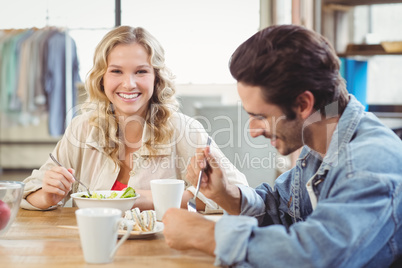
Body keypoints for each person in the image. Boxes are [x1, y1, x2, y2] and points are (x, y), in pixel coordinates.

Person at [162, 24, 402, 267]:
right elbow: (282, 208)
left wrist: (208, 235)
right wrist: (227, 194)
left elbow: (318, 255)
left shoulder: (370, 163)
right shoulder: (322, 138)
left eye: (261, 116)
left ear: (302, 104)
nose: (253, 131)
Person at [21, 26, 247, 212]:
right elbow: (29, 192)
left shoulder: (184, 129)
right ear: (101, 78)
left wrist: (148, 199)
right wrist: (48, 196)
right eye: (116, 71)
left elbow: (238, 193)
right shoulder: (82, 128)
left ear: (156, 78)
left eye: (141, 71)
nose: (129, 84)